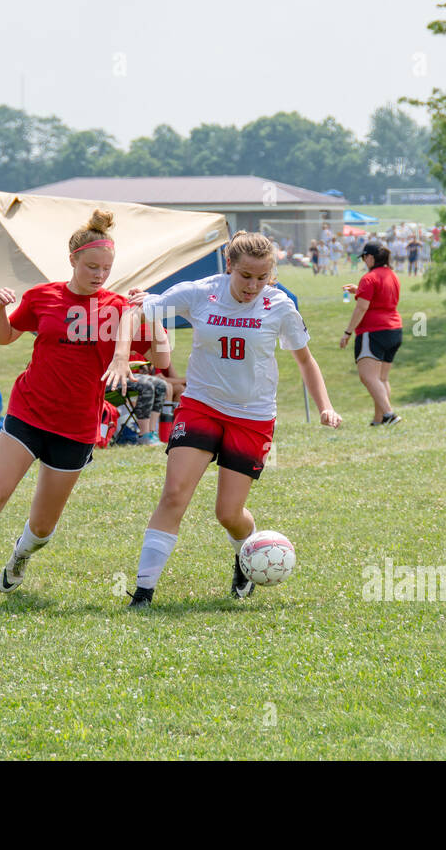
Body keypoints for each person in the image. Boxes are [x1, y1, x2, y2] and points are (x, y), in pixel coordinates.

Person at [0, 209, 163, 610]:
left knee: (43, 528)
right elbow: (6, 335)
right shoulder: (43, 296)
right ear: (73, 261)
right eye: (92, 266)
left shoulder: (119, 309)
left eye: (106, 268)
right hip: (28, 413)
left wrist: (151, 312)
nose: (99, 274)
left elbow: (159, 357)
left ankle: (20, 555)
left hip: (77, 428)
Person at [107, 231, 342, 608]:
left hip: (252, 417)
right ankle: (143, 594)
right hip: (201, 405)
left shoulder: (279, 306)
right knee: (174, 494)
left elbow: (306, 361)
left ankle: (244, 557)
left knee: (228, 513)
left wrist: (326, 406)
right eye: (245, 275)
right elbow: (135, 310)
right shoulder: (201, 292)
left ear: (271, 276)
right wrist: (120, 357)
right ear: (229, 266)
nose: (252, 286)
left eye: (261, 278)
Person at [340, 240, 403, 425]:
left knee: (368, 377)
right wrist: (359, 291)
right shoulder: (392, 275)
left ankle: (389, 414)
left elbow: (362, 308)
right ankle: (378, 420)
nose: (364, 261)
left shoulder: (369, 278)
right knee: (381, 379)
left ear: (370, 257)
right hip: (394, 330)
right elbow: (380, 297)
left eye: (364, 258)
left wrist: (348, 332)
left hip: (373, 331)